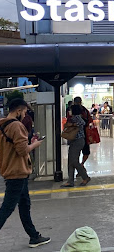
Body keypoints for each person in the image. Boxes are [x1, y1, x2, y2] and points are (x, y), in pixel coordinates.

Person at [0, 98, 51, 248]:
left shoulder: (3, 124)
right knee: (7, 208)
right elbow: (22, 150)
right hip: (17, 171)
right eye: (24, 111)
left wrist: (28, 142)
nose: (25, 114)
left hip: (11, 169)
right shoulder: (17, 126)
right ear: (18, 111)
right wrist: (35, 144)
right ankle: (34, 236)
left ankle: (34, 236)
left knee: (24, 205)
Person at [61, 105, 91, 188]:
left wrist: (72, 125)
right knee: (71, 161)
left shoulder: (76, 117)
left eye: (70, 110)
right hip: (74, 141)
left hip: (78, 141)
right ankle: (70, 181)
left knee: (74, 161)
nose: (69, 111)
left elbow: (82, 123)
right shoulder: (73, 117)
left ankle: (85, 177)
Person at [71, 97, 93, 173]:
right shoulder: (85, 110)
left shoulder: (72, 110)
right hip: (85, 134)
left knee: (74, 154)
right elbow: (90, 120)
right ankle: (82, 164)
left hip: (74, 135)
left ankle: (79, 169)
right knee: (86, 151)